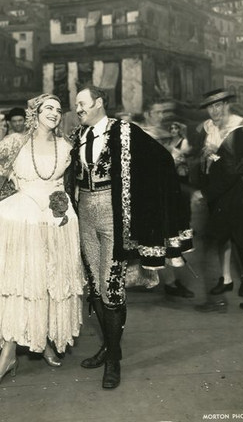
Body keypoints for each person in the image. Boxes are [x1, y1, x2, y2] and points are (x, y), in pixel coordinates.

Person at [70, 85, 193, 389]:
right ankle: (111, 346)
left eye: (82, 104)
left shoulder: (124, 131)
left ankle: (113, 360)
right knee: (95, 288)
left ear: (99, 103)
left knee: (112, 288)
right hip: (84, 213)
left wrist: (145, 200)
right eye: (76, 105)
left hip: (113, 216)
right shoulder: (77, 135)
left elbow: (161, 160)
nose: (78, 109)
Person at [0, 93, 84, 388]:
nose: (55, 114)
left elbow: (66, 182)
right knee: (22, 284)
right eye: (49, 108)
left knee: (49, 282)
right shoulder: (16, 141)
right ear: (35, 113)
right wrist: (13, 181)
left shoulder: (66, 145)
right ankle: (8, 354)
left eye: (59, 110)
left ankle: (42, 340)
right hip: (21, 218)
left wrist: (61, 206)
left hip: (56, 219)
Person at [194, 89, 243, 313]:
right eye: (211, 106)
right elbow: (208, 161)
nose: (215, 110)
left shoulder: (242, 128)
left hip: (236, 192)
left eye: (219, 105)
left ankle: (217, 299)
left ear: (227, 105)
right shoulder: (207, 128)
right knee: (239, 242)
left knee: (213, 242)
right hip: (216, 193)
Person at [138, 103, 195, 299]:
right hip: (147, 192)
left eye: (163, 112)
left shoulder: (164, 134)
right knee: (151, 237)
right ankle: (156, 280)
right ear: (147, 113)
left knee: (167, 236)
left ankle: (169, 282)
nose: (161, 116)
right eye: (157, 112)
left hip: (166, 191)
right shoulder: (140, 133)